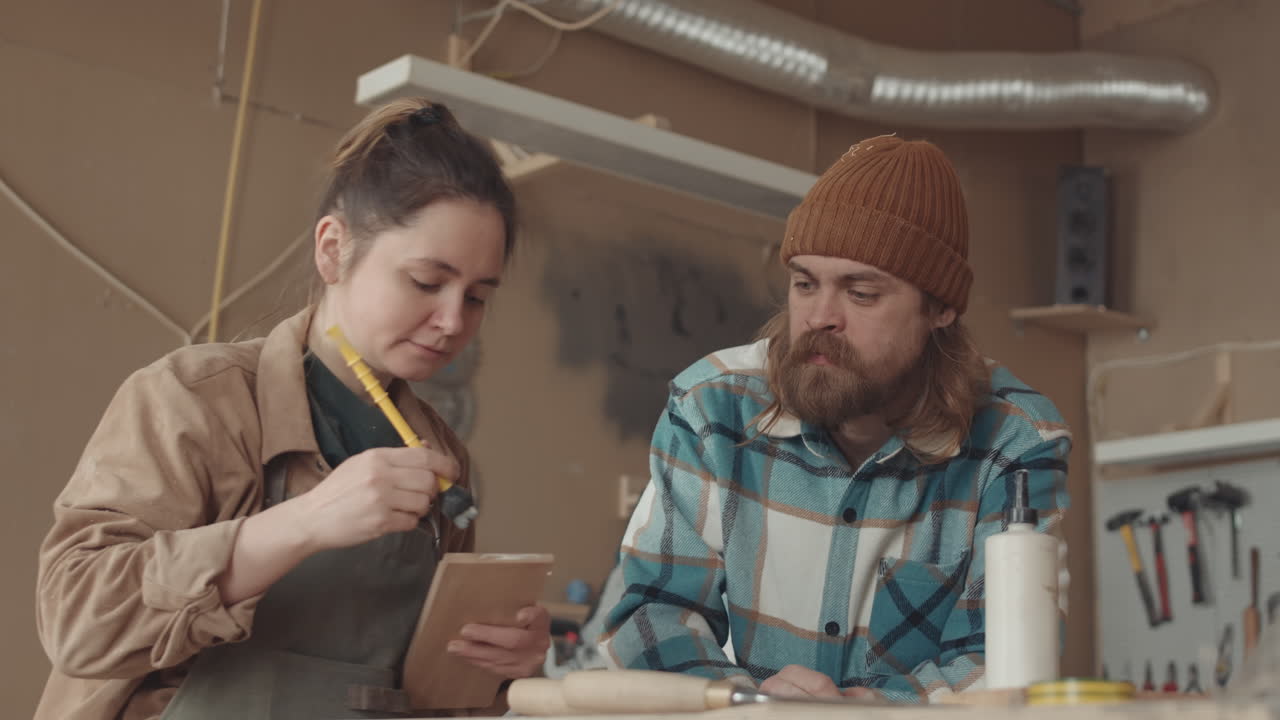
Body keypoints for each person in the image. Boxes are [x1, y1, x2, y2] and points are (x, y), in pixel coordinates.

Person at [34, 99, 549, 720]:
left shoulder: (441, 458)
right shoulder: (194, 399)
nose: (451, 321)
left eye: (477, 297)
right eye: (425, 282)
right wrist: (301, 524)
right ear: (333, 250)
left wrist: (499, 671)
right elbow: (76, 621)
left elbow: (424, 696)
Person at [600, 135, 1072, 703]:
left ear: (941, 309)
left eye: (862, 293)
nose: (820, 316)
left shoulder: (1015, 441)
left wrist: (872, 711)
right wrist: (744, 705)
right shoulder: (711, 408)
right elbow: (654, 613)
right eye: (805, 284)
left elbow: (1005, 657)